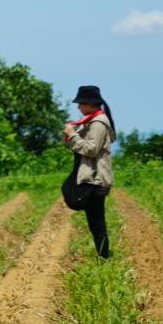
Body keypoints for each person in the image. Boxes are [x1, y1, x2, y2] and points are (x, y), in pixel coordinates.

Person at [62, 84, 114, 258]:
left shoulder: (98, 123)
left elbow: (90, 149)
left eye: (81, 104)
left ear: (90, 104)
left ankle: (104, 257)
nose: (78, 107)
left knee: (97, 223)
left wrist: (73, 135)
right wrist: (71, 135)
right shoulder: (91, 122)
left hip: (96, 179)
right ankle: (103, 256)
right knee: (94, 222)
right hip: (92, 178)